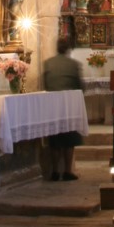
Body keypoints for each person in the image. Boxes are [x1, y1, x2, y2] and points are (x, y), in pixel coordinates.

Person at [42, 38, 85, 181]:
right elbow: (80, 87)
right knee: (69, 139)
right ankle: (67, 170)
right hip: (69, 106)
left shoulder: (48, 63)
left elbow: (46, 85)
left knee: (54, 140)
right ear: (68, 49)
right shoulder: (73, 64)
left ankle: (54, 171)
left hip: (52, 106)